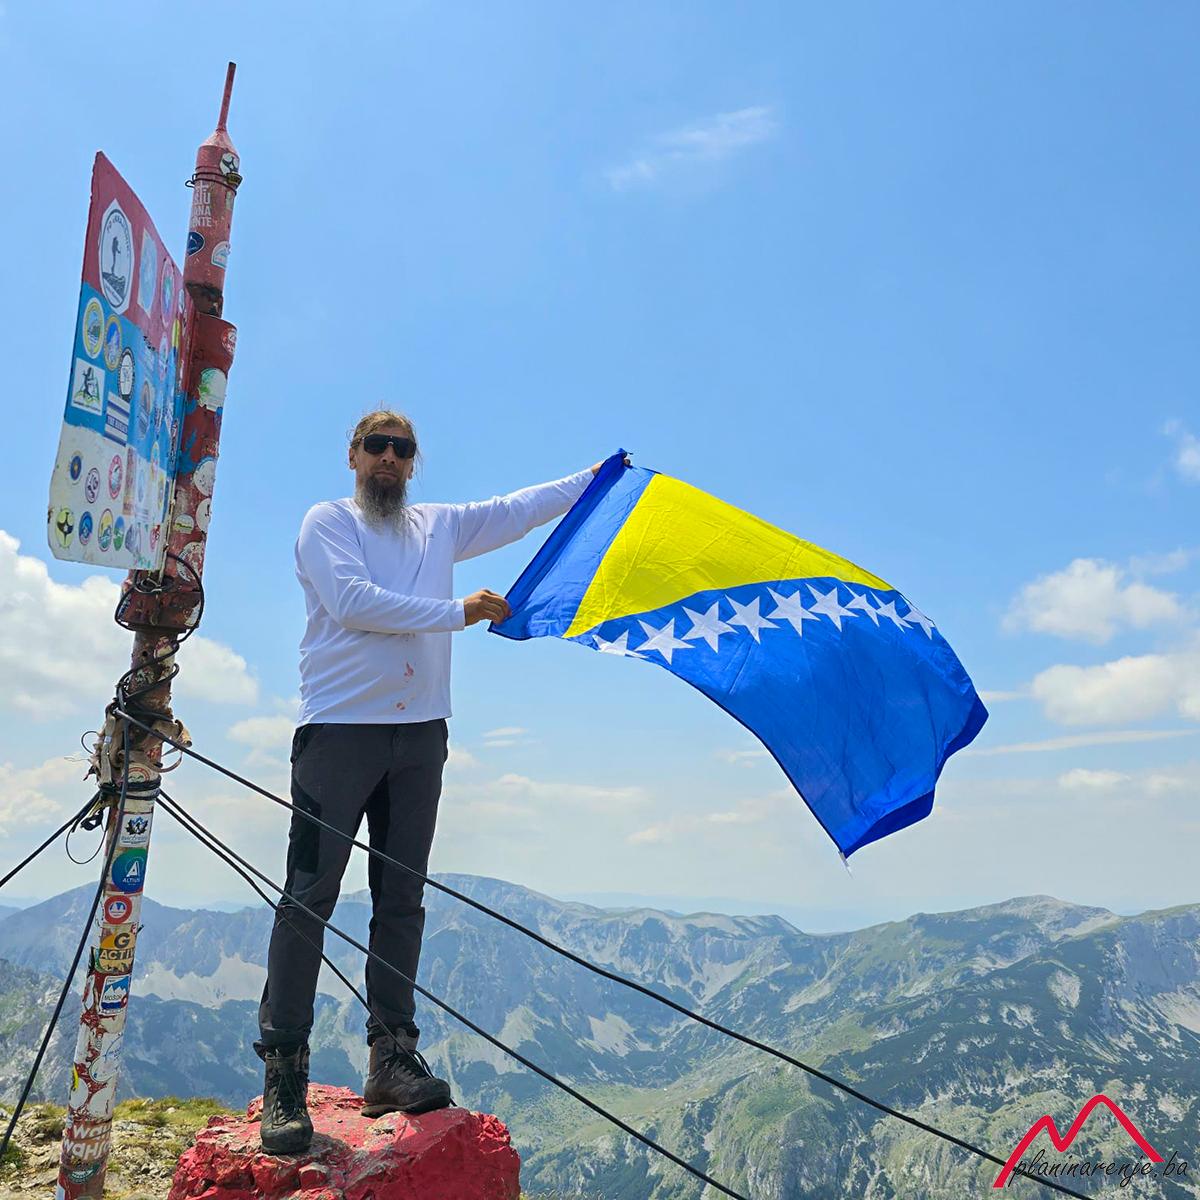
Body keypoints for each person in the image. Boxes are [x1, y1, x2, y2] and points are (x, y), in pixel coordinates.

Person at [255, 409, 603, 1155]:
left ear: (413, 462)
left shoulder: (438, 525)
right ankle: (284, 1075)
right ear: (353, 455)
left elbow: (517, 510)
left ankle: (391, 1059)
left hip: (420, 736)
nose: (388, 457)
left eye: (402, 448)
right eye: (376, 446)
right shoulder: (328, 522)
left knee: (402, 899)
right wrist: (456, 611)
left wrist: (600, 479)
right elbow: (351, 602)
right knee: (309, 897)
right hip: (339, 731)